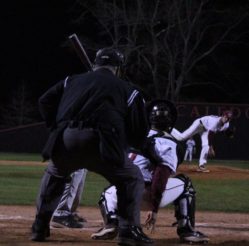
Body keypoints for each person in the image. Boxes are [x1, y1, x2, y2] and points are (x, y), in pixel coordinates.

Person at [30, 47, 153, 246]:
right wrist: (127, 144)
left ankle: (39, 227)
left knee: (55, 173)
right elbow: (139, 128)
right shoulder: (128, 89)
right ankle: (128, 231)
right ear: (118, 68)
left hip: (66, 139)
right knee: (131, 178)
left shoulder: (72, 80)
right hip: (102, 142)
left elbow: (45, 101)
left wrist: (56, 126)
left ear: (96, 64)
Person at [90, 100, 209, 244]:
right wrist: (154, 209)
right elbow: (161, 174)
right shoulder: (169, 142)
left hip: (122, 196)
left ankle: (111, 222)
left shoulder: (133, 138)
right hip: (147, 194)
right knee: (185, 184)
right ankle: (187, 230)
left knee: (107, 192)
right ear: (169, 121)